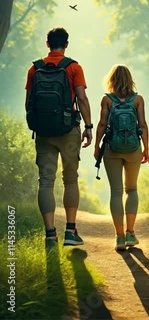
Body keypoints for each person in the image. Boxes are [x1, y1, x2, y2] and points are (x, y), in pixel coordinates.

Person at [25, 27, 93, 248]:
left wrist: (38, 123)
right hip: (68, 130)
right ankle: (71, 232)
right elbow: (81, 99)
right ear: (66, 44)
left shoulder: (34, 69)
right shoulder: (73, 67)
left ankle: (50, 235)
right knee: (70, 179)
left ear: (47, 44)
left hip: (44, 132)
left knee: (46, 181)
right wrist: (89, 126)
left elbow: (29, 102)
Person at [93, 64, 149, 251]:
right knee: (131, 189)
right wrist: (147, 149)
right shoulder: (138, 99)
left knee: (116, 192)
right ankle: (131, 234)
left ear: (112, 80)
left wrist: (97, 146)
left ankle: (119, 237)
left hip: (112, 149)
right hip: (133, 148)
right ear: (130, 79)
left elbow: (102, 124)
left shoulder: (107, 99)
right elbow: (143, 125)